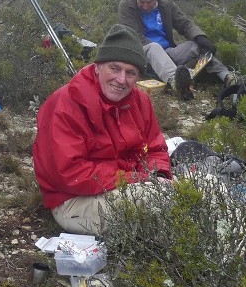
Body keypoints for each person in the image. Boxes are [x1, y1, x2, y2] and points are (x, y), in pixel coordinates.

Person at [33, 24, 172, 234]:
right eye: (114, 68)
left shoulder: (140, 101)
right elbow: (69, 173)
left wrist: (157, 173)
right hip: (74, 200)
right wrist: (138, 179)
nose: (121, 80)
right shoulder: (66, 104)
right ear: (97, 67)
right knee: (163, 203)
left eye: (131, 73)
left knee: (206, 185)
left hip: (127, 184)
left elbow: (154, 148)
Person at [118, 0, 236, 100]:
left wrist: (200, 37)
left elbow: (184, 24)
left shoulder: (166, 4)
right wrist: (161, 57)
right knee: (154, 47)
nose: (145, 6)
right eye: (142, 2)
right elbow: (134, 36)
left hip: (168, 53)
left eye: (149, 2)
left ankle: (227, 77)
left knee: (195, 46)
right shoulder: (126, 5)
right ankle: (177, 84)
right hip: (143, 55)